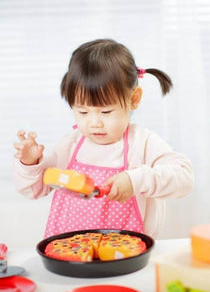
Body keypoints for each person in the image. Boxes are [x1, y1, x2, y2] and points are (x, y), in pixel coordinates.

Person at [13, 38, 194, 239]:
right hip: (71, 254)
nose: (94, 123)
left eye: (106, 112)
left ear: (134, 99)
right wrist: (29, 164)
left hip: (127, 254)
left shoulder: (142, 143)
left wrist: (135, 180)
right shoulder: (70, 146)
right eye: (82, 112)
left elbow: (184, 177)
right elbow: (33, 190)